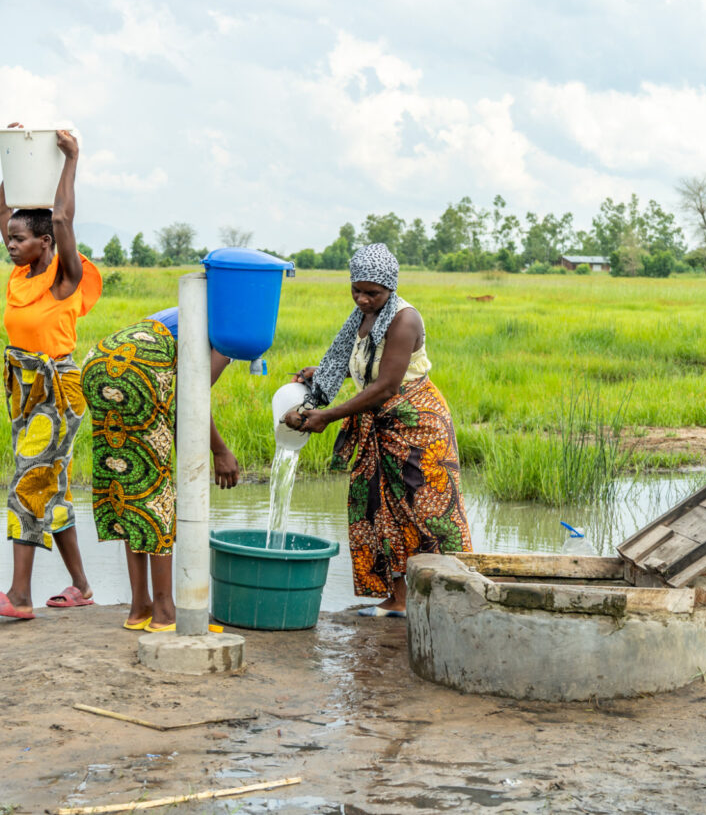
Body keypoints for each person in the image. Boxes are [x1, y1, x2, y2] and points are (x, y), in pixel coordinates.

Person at [284, 243, 471, 617]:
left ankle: (451, 598)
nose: (363, 299)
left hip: (415, 425)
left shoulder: (404, 319)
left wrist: (327, 415)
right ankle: (398, 599)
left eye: (373, 293)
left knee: (424, 510)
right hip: (376, 421)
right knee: (376, 508)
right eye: (357, 290)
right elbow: (365, 368)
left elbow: (386, 385)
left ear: (391, 288)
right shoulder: (361, 318)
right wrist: (319, 376)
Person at [0, 125, 101, 621]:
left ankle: (20, 597)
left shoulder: (64, 279)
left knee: (28, 483)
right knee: (54, 487)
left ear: (45, 243)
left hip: (56, 393)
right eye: (9, 240)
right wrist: (15, 157)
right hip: (24, 393)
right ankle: (82, 587)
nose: (10, 243)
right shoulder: (19, 275)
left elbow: (63, 214)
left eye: (19, 240)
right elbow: (2, 210)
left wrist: (71, 159)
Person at [82, 307, 240, 632]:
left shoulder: (198, 307)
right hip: (141, 369)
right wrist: (220, 451)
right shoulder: (229, 330)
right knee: (156, 494)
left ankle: (140, 608)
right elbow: (191, 397)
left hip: (101, 361)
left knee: (131, 487)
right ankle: (166, 612)